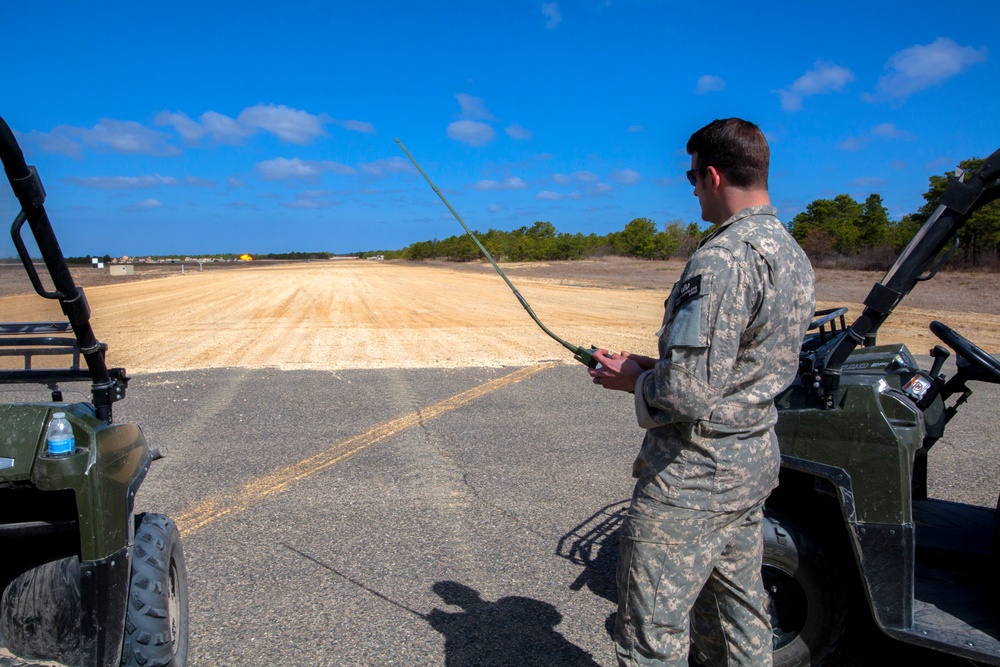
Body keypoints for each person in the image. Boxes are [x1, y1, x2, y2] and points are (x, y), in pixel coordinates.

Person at [588, 118, 816, 666]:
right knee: (740, 623)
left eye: (691, 176)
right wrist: (654, 364)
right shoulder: (789, 252)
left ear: (712, 175)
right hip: (750, 466)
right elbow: (742, 363)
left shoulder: (723, 259)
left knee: (651, 638)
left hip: (693, 479)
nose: (691, 188)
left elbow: (688, 395)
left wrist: (633, 381)